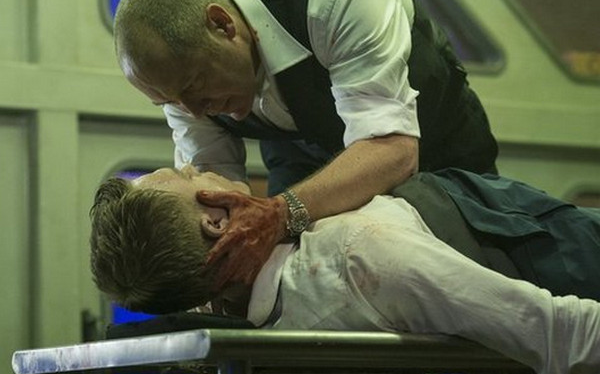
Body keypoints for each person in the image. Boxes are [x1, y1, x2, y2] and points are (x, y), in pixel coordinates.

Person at [113, 0, 499, 290]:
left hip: (438, 156)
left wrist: (282, 213)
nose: (195, 112)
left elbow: (393, 149)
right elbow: (217, 200)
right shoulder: (183, 84)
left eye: (195, 86)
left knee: (464, 280)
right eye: (170, 103)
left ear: (223, 25)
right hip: (300, 163)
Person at [90, 165, 600, 374]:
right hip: (546, 244)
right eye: (184, 173)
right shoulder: (360, 255)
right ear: (218, 220)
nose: (196, 165)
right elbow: (561, 333)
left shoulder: (232, 311)